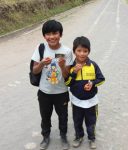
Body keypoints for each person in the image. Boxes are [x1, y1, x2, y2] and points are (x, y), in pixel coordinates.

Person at [31, 19, 73, 150]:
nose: (51, 37)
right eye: (48, 34)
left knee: (63, 116)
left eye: (55, 33)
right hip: (44, 92)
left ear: (60, 34)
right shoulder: (40, 48)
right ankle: (46, 136)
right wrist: (42, 63)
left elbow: (67, 76)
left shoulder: (67, 51)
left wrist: (62, 66)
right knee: (45, 116)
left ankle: (63, 136)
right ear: (44, 36)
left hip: (61, 92)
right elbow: (34, 70)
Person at [65, 36, 105, 149]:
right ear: (74, 51)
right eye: (79, 51)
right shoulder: (71, 67)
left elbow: (102, 79)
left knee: (91, 122)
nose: (82, 54)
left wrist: (92, 83)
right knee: (77, 121)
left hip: (91, 101)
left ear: (89, 51)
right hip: (76, 101)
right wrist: (74, 73)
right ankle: (78, 137)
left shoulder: (93, 65)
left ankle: (92, 138)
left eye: (85, 51)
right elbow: (67, 83)